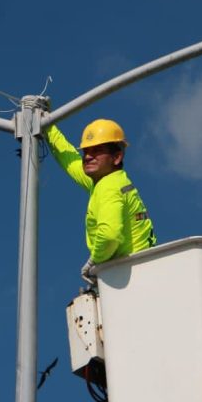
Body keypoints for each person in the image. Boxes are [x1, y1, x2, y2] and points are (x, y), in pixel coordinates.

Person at [44, 118, 157, 280]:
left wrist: (94, 262)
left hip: (130, 272)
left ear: (117, 157)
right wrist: (48, 127)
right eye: (86, 151)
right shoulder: (109, 180)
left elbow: (109, 235)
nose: (88, 156)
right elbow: (70, 160)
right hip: (140, 268)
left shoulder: (108, 187)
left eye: (97, 151)